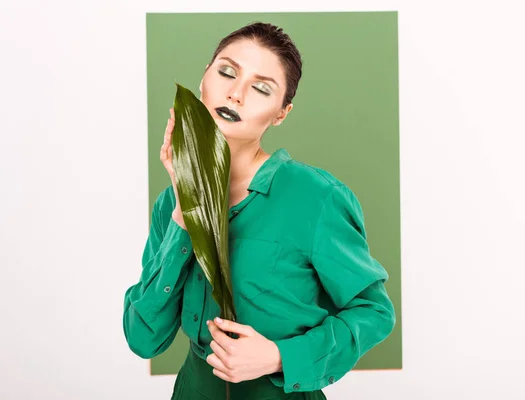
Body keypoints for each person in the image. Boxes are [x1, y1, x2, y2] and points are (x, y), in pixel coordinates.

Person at [123, 22, 396, 400]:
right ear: (204, 76)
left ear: (281, 113)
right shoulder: (170, 204)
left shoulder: (317, 198)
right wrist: (185, 214)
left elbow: (374, 313)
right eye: (227, 72)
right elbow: (143, 339)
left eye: (261, 88)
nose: (235, 94)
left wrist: (279, 356)